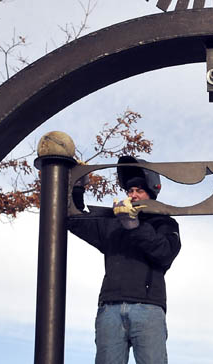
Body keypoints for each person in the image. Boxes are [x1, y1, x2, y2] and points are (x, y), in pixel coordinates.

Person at [69, 156, 181, 364]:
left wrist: (136, 226)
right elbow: (76, 221)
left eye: (139, 190)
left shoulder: (165, 223)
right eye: (130, 191)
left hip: (148, 308)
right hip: (110, 308)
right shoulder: (113, 223)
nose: (133, 195)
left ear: (151, 192)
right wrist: (77, 187)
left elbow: (165, 254)